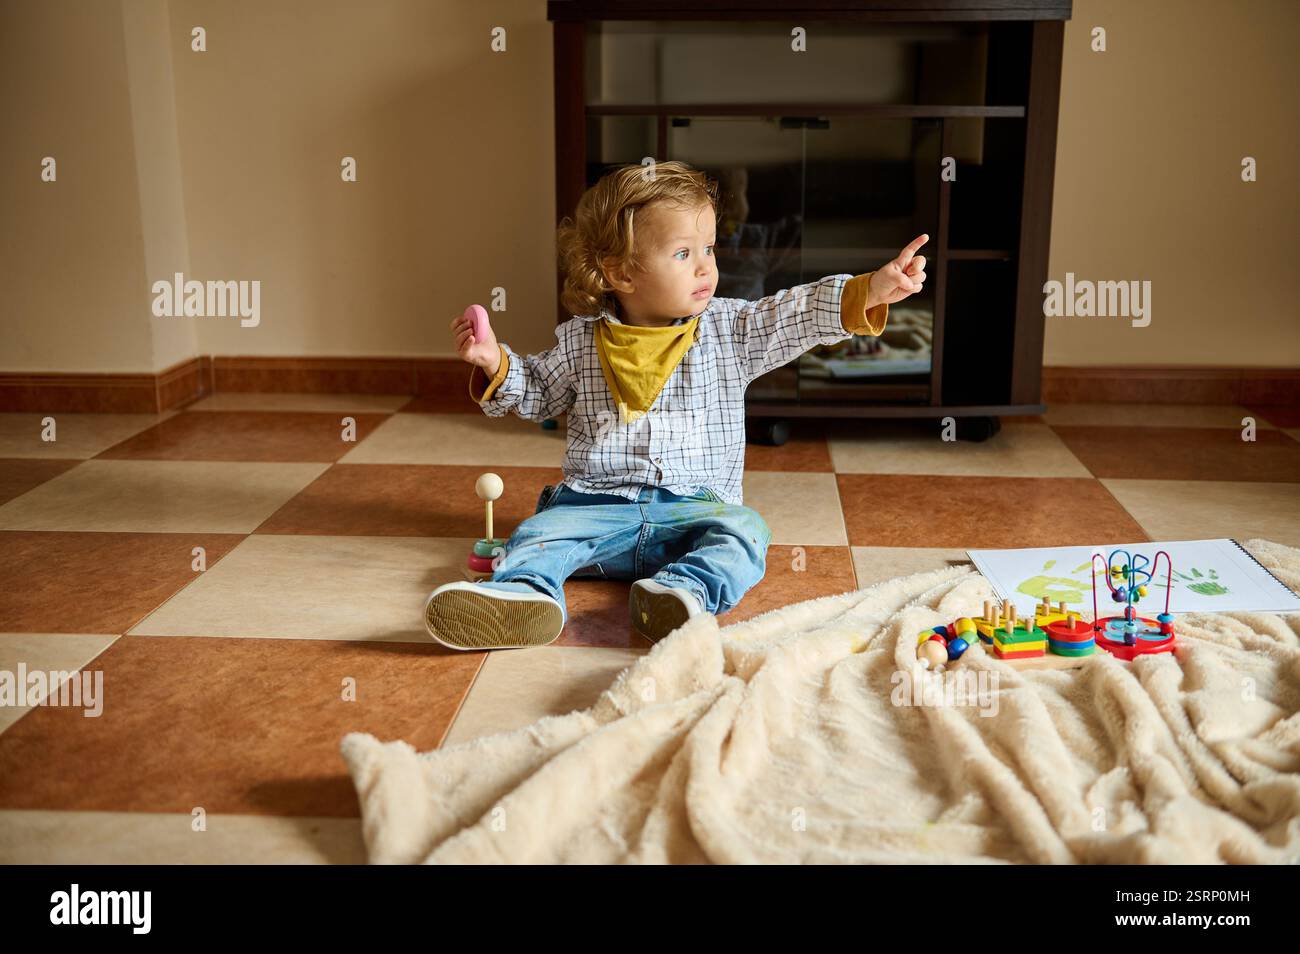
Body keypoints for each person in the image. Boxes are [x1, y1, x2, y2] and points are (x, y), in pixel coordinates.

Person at [426, 160, 927, 650]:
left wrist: (870, 290)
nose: (708, 265)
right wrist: (494, 360)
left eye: (708, 247)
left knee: (745, 533)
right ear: (620, 272)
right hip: (594, 510)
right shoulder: (581, 342)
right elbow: (536, 392)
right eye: (684, 253)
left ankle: (680, 593)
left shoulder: (730, 330)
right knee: (536, 534)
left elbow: (795, 315)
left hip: (693, 514)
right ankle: (521, 596)